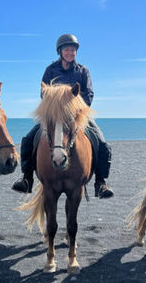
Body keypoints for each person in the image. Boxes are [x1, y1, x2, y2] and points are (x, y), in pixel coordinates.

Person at [11, 33, 114, 198]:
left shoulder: (83, 71)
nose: (70, 53)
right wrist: (54, 107)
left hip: (76, 116)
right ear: (60, 51)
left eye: (73, 50)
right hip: (53, 116)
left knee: (102, 143)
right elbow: (44, 92)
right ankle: (27, 178)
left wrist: (75, 110)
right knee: (29, 139)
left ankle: (100, 183)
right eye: (67, 50)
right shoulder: (50, 70)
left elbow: (88, 95)